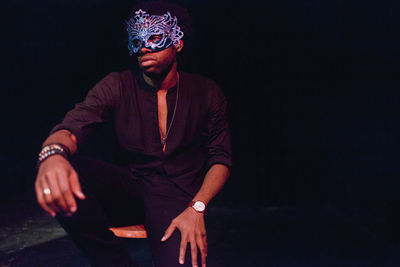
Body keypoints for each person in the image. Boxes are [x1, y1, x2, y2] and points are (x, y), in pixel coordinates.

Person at [35, 2, 232, 267]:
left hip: (178, 199)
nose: (144, 47)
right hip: (131, 189)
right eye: (137, 40)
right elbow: (74, 125)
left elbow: (221, 159)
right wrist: (52, 156)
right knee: (69, 168)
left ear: (178, 43)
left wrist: (197, 207)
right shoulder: (117, 84)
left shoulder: (207, 92)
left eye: (154, 37)